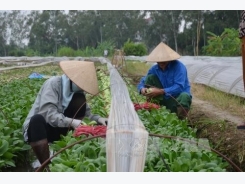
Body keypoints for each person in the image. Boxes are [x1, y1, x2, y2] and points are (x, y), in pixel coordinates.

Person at [22, 60, 108, 171]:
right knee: (36, 120)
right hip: (40, 129)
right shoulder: (53, 84)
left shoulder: (78, 94)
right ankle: (45, 166)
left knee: (79, 100)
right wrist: (72, 122)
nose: (83, 88)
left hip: (59, 127)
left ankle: (64, 152)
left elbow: (87, 115)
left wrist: (99, 119)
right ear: (74, 79)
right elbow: (48, 114)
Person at [137, 42, 192, 120]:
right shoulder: (155, 69)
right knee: (150, 78)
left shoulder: (179, 67)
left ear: (169, 59)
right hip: (163, 100)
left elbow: (179, 87)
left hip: (176, 100)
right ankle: (154, 111)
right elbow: (143, 80)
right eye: (159, 61)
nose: (161, 63)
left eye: (164, 61)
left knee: (185, 96)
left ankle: (180, 121)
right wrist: (142, 88)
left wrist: (160, 91)